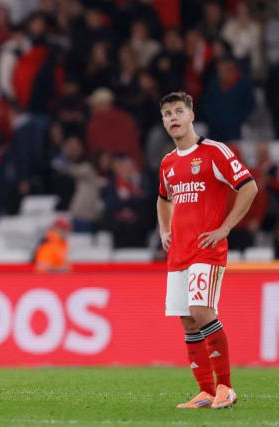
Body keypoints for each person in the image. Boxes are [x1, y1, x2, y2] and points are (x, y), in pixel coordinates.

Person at [156, 92, 258, 409]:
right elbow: (163, 198)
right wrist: (164, 230)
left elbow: (249, 187)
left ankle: (225, 387)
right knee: (187, 321)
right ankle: (204, 392)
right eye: (167, 114)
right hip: (179, 253)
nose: (172, 118)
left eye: (178, 111)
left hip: (206, 250)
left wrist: (225, 228)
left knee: (202, 312)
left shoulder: (214, 152)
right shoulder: (168, 162)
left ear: (191, 116)